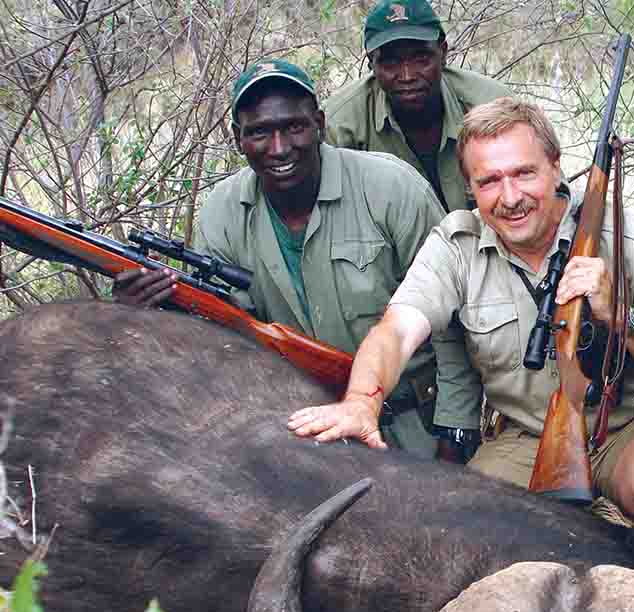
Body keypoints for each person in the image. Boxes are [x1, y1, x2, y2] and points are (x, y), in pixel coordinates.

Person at [287, 97, 634, 523]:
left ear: (555, 167)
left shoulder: (629, 241)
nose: (511, 197)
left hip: (629, 428)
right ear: (469, 187)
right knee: (463, 524)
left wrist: (619, 314)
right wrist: (361, 402)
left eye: (524, 174)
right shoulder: (456, 246)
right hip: (527, 438)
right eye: (489, 181)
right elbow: (398, 330)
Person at [114, 59, 477, 459]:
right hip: (299, 429)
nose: (280, 148)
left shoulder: (392, 187)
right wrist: (148, 317)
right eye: (259, 133)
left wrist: (455, 434)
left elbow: (453, 323)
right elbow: (222, 334)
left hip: (413, 425)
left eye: (293, 127)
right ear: (237, 138)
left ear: (320, 123)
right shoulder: (222, 211)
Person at [324, 0, 510, 213]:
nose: (407, 76)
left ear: (443, 52)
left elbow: (545, 191)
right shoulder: (340, 125)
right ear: (371, 65)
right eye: (390, 62)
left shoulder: (492, 105)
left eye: (421, 58)